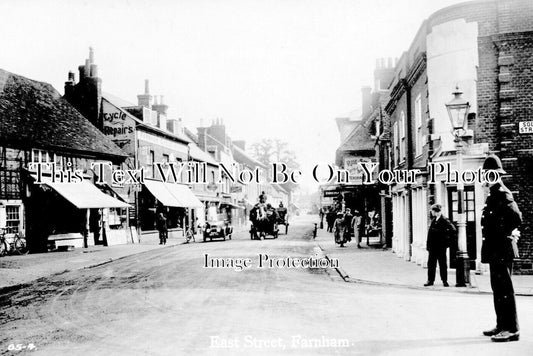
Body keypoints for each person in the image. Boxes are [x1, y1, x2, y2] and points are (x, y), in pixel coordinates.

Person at [480, 154, 522, 342]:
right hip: (495, 249)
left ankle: (511, 329)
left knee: (505, 289)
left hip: (502, 248)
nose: (487, 178)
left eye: (490, 174)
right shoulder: (493, 194)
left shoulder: (503, 194)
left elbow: (516, 218)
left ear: (497, 175)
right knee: (498, 289)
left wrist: (504, 233)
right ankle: (501, 325)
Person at [424, 204, 456, 287]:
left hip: (441, 247)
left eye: (432, 211)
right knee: (431, 264)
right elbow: (430, 234)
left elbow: (453, 230)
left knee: (442, 264)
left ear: (436, 211)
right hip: (432, 247)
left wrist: (446, 242)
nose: (431, 212)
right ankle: (430, 280)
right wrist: (428, 245)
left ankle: (444, 281)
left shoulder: (444, 220)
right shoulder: (434, 220)